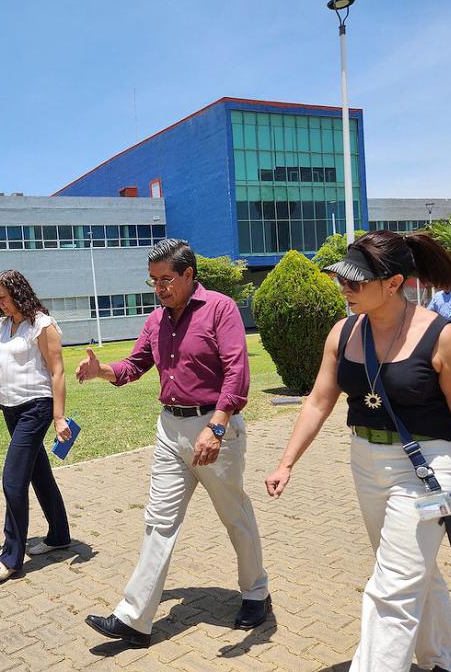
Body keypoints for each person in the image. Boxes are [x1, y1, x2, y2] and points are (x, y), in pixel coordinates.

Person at [265, 230, 451, 672]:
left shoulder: (443, 338)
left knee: (392, 585)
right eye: (343, 279)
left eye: (356, 282)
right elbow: (319, 399)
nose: (345, 289)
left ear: (393, 283)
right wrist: (286, 462)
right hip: (366, 462)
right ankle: (446, 661)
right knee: (412, 570)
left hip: (429, 468)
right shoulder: (343, 332)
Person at [79, 239, 270, 649]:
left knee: (234, 514)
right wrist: (101, 371)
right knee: (158, 521)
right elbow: (134, 366)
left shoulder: (220, 308)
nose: (159, 288)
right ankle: (134, 620)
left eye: (166, 279)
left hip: (215, 428)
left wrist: (216, 427)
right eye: (153, 281)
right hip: (170, 429)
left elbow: (237, 371)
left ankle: (256, 592)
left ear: (188, 274)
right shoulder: (155, 320)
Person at [0, 269, 73, 583]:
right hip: (10, 409)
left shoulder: (41, 325)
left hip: (36, 408)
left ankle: (11, 557)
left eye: (5, 298)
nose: (0, 304)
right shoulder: (0, 327)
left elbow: (57, 372)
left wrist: (58, 416)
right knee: (38, 473)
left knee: (13, 480)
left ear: (19, 293)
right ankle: (59, 535)